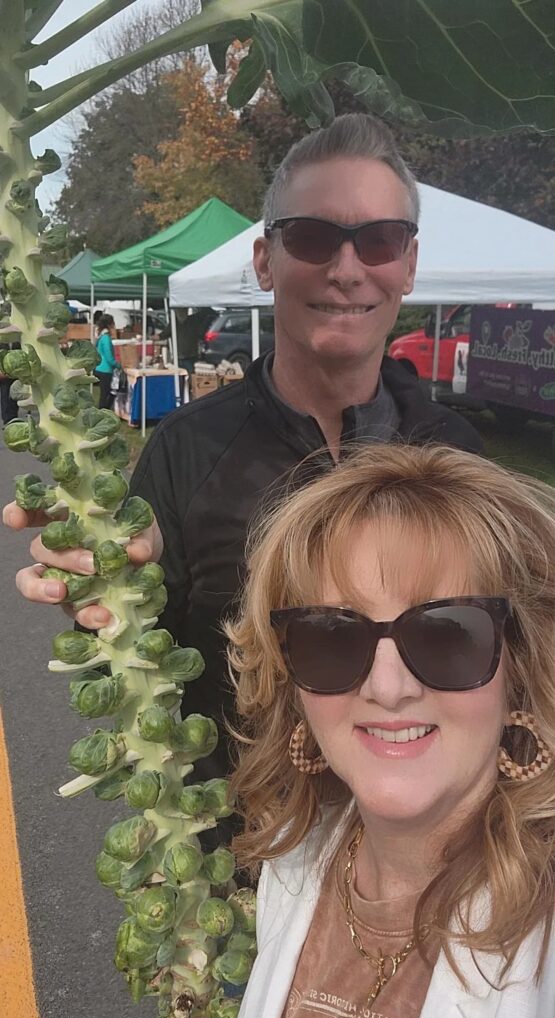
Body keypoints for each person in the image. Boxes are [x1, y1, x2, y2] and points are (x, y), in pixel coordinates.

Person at [4, 113, 481, 787]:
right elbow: (132, 654)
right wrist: (92, 591)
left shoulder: (457, 456)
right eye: (313, 238)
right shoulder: (186, 448)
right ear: (264, 261)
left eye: (378, 240)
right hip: (235, 863)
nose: (346, 270)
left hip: (423, 863)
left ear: (407, 265)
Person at [226, 443, 555, 1018]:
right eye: (332, 636)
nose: (388, 686)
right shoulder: (295, 867)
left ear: (520, 670)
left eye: (447, 634)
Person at [159, 307, 217, 374]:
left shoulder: (194, 320)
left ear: (186, 311)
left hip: (190, 357)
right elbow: (162, 335)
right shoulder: (173, 323)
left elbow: (207, 311)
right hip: (178, 358)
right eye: (178, 311)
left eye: (182, 310)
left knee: (191, 377)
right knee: (179, 378)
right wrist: (150, 337)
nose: (180, 313)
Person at [94, 313, 119, 409]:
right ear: (109, 325)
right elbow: (109, 357)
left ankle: (103, 410)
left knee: (104, 394)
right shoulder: (106, 338)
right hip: (106, 370)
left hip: (100, 368)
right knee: (106, 394)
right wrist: (118, 365)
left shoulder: (101, 336)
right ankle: (103, 411)